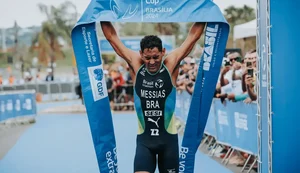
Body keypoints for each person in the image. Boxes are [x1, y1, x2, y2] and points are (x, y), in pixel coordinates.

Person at [101, 21, 205, 173]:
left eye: (156, 57)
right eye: (147, 58)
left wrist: (204, 12)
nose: (152, 62)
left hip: (168, 142)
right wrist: (101, 11)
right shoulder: (136, 64)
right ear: (141, 54)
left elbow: (193, 36)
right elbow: (111, 36)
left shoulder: (170, 63)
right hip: (145, 142)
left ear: (163, 52)